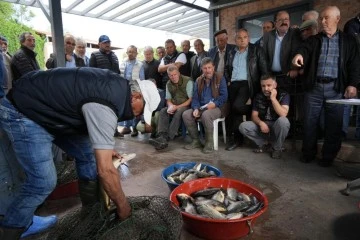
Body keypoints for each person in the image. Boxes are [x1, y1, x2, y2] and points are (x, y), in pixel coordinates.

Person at [0, 67, 160, 239]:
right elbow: (106, 171)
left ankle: (90, 213)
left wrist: (103, 148)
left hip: (53, 113)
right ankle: (14, 226)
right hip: (24, 111)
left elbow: (87, 113)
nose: (138, 117)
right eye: (141, 110)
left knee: (88, 155)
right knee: (43, 182)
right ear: (136, 97)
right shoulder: (106, 105)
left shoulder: (117, 89)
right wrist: (123, 207)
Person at [292, 6, 360, 167]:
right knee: (310, 122)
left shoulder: (349, 41)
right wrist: (299, 55)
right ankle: (308, 153)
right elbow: (304, 49)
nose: (322, 21)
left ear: (337, 19)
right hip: (314, 87)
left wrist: (352, 84)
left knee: (334, 125)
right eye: (321, 18)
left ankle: (328, 157)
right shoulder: (314, 39)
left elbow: (355, 65)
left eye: (326, 18)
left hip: (335, 89)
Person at [224, 28, 268, 151]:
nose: (242, 40)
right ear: (235, 40)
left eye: (245, 37)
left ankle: (252, 110)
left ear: (248, 38)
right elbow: (227, 68)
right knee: (234, 112)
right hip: (233, 84)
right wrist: (228, 80)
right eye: (239, 38)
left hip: (247, 83)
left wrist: (264, 85)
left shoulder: (256, 50)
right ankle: (238, 140)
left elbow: (264, 69)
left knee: (237, 107)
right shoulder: (232, 52)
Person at [182, 57, 228, 154]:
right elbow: (195, 98)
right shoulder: (198, 80)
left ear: (213, 67)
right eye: (205, 68)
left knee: (206, 115)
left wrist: (215, 103)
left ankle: (209, 143)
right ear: (202, 69)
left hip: (218, 107)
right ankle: (196, 141)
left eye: (209, 67)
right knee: (186, 114)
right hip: (202, 107)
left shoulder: (220, 77)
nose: (207, 70)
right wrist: (195, 108)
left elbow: (224, 96)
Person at [239, 75, 290, 159]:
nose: (266, 88)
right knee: (243, 126)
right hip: (263, 128)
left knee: (284, 121)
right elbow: (254, 116)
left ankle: (277, 148)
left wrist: (273, 99)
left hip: (276, 127)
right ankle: (264, 144)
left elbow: (283, 114)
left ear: (275, 85)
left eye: (269, 85)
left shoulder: (284, 95)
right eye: (263, 86)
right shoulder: (258, 96)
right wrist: (260, 123)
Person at [149, 65, 193, 150]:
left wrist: (177, 107)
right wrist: (170, 106)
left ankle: (168, 137)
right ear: (168, 76)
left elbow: (190, 100)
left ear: (179, 73)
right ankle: (161, 135)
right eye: (171, 75)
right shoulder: (168, 83)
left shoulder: (188, 81)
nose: (173, 77)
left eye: (175, 74)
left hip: (186, 105)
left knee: (179, 112)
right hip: (174, 105)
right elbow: (168, 99)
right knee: (163, 111)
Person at [119, 45, 145, 137]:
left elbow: (142, 79)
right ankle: (126, 127)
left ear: (136, 53)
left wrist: (141, 91)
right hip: (125, 88)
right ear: (127, 53)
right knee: (126, 106)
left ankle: (134, 128)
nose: (131, 53)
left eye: (133, 52)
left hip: (136, 88)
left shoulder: (140, 64)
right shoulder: (123, 63)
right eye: (129, 51)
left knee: (135, 108)